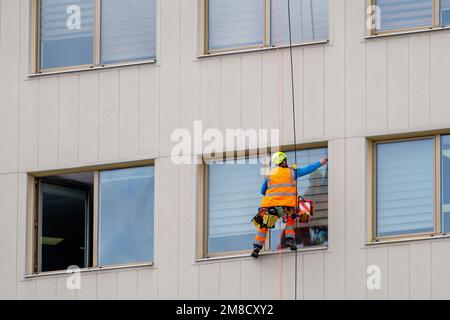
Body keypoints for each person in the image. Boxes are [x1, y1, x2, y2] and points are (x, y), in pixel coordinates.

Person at [251, 152, 328, 258]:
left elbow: (262, 191)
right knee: (291, 220)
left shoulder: (269, 175)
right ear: (284, 161)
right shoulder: (292, 172)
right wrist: (321, 162)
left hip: (270, 206)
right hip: (287, 207)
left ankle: (257, 247)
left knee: (264, 225)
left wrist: (274, 196)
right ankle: (290, 241)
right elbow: (307, 169)